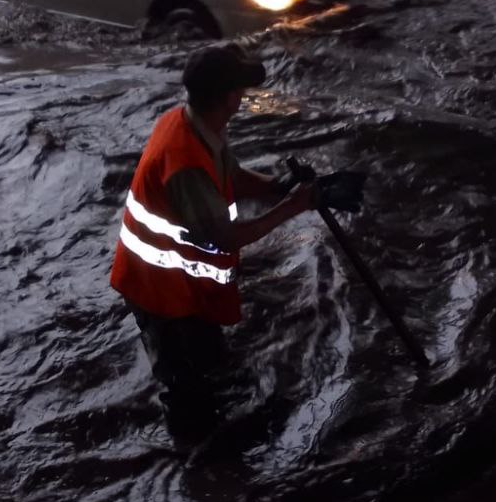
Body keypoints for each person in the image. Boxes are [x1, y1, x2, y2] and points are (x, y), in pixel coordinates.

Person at [110, 43, 363, 436]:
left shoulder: (193, 124)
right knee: (185, 389)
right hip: (158, 291)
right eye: (241, 89)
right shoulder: (185, 162)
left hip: (182, 284)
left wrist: (278, 187)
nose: (244, 96)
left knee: (212, 366)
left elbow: (233, 177)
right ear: (229, 98)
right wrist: (292, 207)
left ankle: (219, 444)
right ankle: (202, 468)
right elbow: (227, 238)